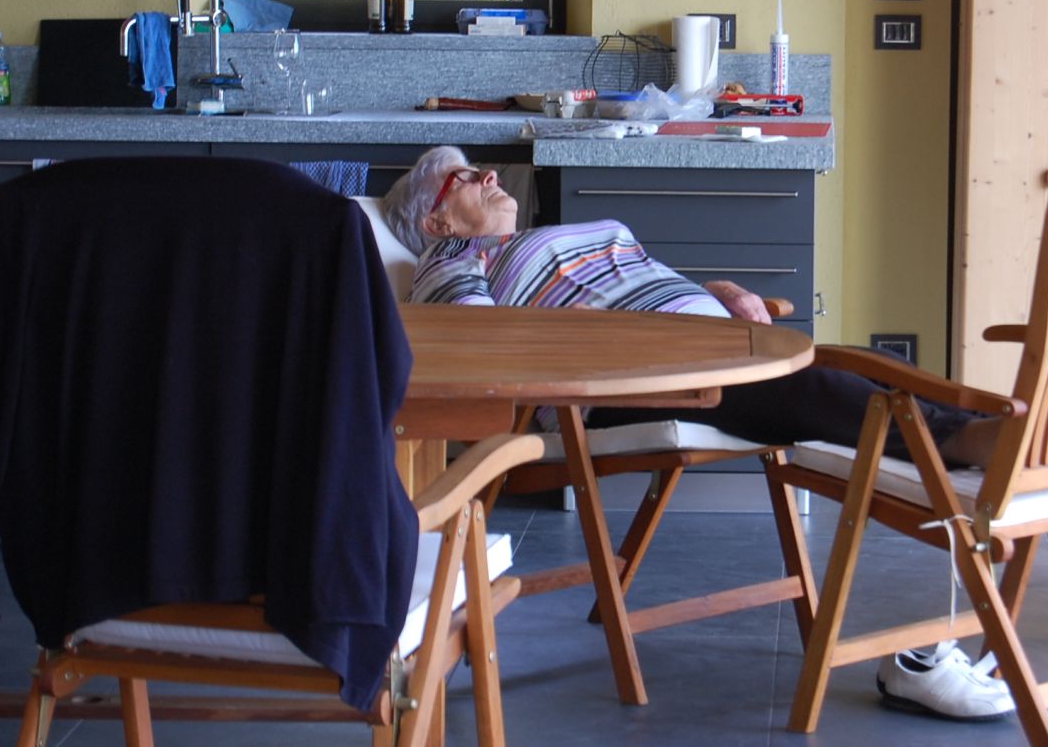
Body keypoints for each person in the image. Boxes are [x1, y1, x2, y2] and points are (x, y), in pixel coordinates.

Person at [381, 146, 1014, 722]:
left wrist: (713, 292)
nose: (490, 174)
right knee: (814, 388)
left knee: (854, 366)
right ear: (438, 223)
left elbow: (626, 282)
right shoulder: (452, 262)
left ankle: (987, 430)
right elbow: (475, 343)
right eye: (465, 177)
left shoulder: (531, 241)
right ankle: (973, 443)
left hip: (708, 342)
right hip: (630, 384)